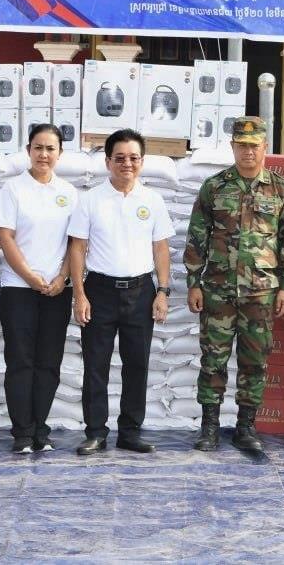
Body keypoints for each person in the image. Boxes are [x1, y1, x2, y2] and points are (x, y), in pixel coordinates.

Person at [184, 116, 284, 454]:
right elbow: (197, 237)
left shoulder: (281, 189)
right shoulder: (215, 187)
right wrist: (194, 282)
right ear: (232, 147)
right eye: (242, 145)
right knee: (213, 359)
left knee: (254, 362)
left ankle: (246, 427)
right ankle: (209, 427)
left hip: (261, 292)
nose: (248, 151)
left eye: (254, 145)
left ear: (265, 147)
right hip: (218, 290)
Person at [69, 128, 172, 456]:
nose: (127, 164)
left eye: (133, 158)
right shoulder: (90, 200)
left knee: (137, 365)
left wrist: (163, 291)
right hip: (100, 291)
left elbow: (161, 249)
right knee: (95, 365)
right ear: (107, 161)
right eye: (120, 158)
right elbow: (77, 249)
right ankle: (95, 432)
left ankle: (130, 432)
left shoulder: (152, 201)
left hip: (141, 292)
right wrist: (79, 295)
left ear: (142, 161)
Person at [0, 123, 79, 454]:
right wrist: (29, 276)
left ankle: (40, 428)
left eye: (50, 148)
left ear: (60, 153)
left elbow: (75, 242)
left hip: (57, 290)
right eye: (38, 148)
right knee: (20, 361)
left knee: (48, 362)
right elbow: (5, 237)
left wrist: (63, 278)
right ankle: (22, 432)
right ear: (28, 150)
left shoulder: (69, 192)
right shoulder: (13, 189)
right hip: (19, 288)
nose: (44, 154)